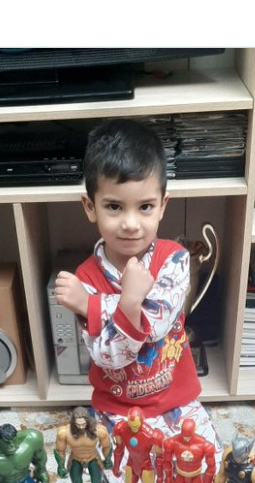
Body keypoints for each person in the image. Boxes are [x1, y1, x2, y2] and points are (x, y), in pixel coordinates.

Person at [53, 118, 221, 455]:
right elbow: (106, 357)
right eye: (114, 207)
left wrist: (97, 306)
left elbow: (156, 326)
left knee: (204, 465)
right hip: (118, 405)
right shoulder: (86, 277)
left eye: (145, 207)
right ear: (90, 207)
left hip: (176, 397)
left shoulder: (174, 259)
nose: (130, 224)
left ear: (162, 206)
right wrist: (118, 304)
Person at [55, 407, 113, 483]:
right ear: (73, 422)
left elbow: (107, 446)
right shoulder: (65, 432)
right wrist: (60, 465)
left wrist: (107, 459)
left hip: (93, 458)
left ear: (88, 421)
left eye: (83, 424)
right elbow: (60, 450)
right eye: (78, 425)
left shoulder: (99, 430)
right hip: (75, 458)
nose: (81, 427)